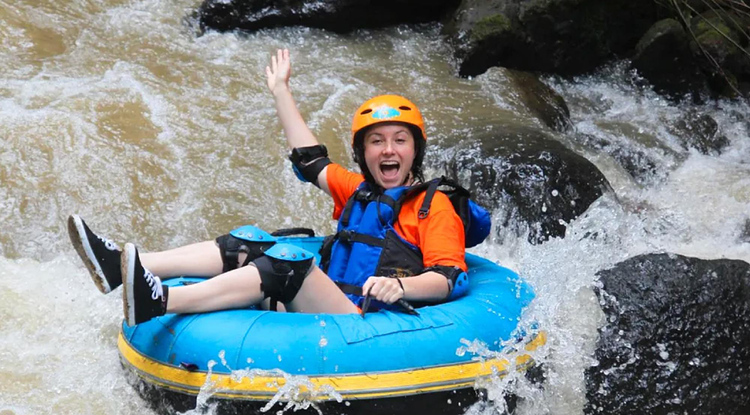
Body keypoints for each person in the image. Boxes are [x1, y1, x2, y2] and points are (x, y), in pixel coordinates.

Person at [68, 48, 469, 326]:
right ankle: (121, 266)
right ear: (363, 153)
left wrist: (399, 285)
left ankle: (160, 302)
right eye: (376, 141)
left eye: (400, 139)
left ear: (415, 150)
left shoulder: (433, 209)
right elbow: (310, 158)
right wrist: (281, 90)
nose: (388, 149)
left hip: (368, 321)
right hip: (336, 303)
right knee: (248, 241)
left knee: (289, 261)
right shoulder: (357, 189)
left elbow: (448, 277)